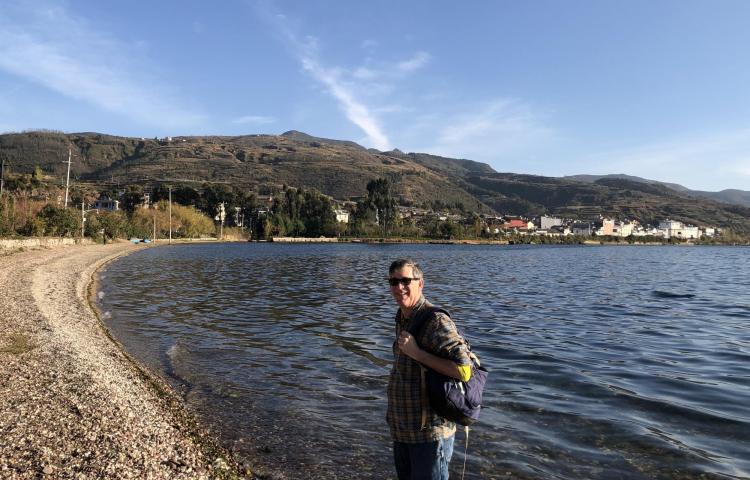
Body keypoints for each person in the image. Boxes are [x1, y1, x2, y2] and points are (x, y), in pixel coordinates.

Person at [386, 258, 472, 480]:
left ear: (420, 284)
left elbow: (464, 370)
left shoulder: (435, 321)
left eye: (406, 281)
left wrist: (418, 354)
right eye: (393, 282)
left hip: (430, 435)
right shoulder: (402, 317)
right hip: (404, 429)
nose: (399, 287)